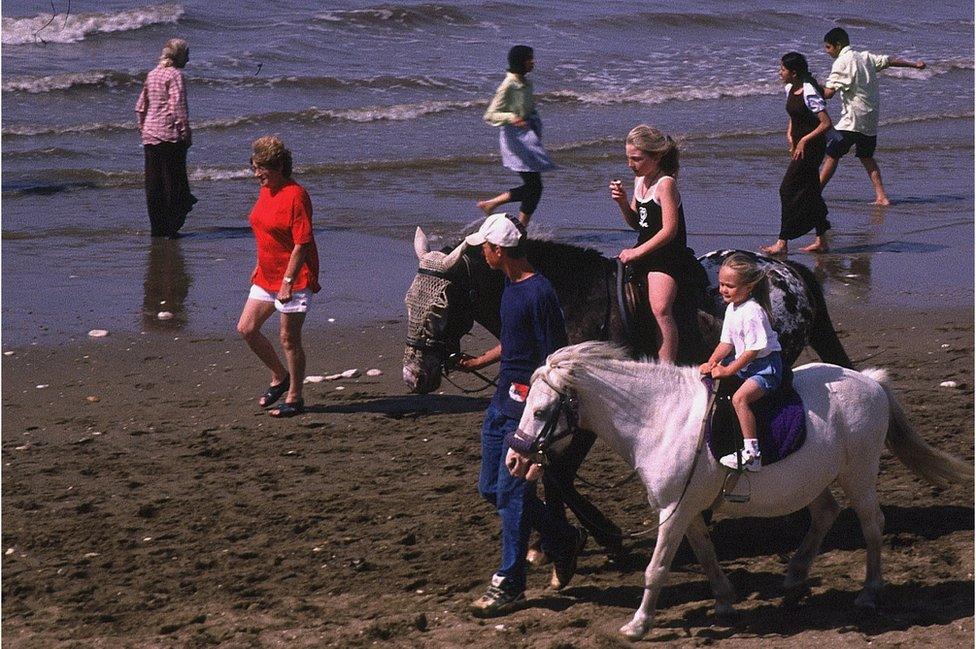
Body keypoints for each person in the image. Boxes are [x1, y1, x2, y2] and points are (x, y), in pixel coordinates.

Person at [458, 213, 586, 617]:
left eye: (485, 247)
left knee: (512, 495)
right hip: (499, 404)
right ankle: (563, 539)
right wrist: (481, 360)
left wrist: (542, 417)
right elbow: (515, 343)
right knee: (490, 491)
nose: (482, 253)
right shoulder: (509, 288)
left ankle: (509, 582)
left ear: (499, 251)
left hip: (526, 413)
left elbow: (555, 356)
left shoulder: (539, 292)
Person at [236, 136, 320, 418]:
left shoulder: (296, 195)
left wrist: (287, 281)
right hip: (266, 274)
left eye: (263, 169)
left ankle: (295, 397)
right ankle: (279, 377)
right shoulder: (266, 190)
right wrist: (258, 264)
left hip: (294, 278)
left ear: (280, 166)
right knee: (247, 328)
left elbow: (302, 242)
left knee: (288, 339)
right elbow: (266, 231)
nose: (257, 174)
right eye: (254, 168)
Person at [609, 125, 707, 363]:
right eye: (628, 158)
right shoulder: (639, 179)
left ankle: (667, 368)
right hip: (643, 251)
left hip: (668, 256)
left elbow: (669, 231)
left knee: (660, 308)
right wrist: (622, 203)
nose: (631, 164)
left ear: (657, 156)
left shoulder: (666, 184)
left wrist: (637, 252)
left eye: (636, 159)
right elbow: (637, 223)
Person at [819, 27, 926, 206]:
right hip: (870, 120)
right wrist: (914, 64)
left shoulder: (841, 62)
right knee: (866, 156)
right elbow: (889, 61)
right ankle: (882, 196)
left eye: (828, 47)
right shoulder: (865, 57)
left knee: (832, 154)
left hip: (852, 121)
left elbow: (829, 93)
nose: (827, 51)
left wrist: (812, 86)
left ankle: (816, 191)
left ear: (838, 46)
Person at [699, 253, 783, 472]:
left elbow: (752, 352)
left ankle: (752, 455)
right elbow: (726, 343)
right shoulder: (732, 308)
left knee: (739, 399)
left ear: (749, 287)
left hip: (765, 368)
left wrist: (727, 370)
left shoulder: (753, 312)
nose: (723, 290)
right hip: (745, 365)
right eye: (721, 284)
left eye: (730, 286)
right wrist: (711, 362)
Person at [761, 52, 833, 256]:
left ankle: (782, 242)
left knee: (787, 189)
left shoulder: (809, 91)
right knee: (811, 190)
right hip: (800, 146)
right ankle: (822, 240)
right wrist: (790, 134)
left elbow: (826, 124)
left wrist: (803, 140)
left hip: (812, 148)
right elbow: (794, 115)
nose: (779, 72)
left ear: (793, 73)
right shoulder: (790, 88)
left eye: (782, 69)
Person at [477, 45, 556, 227]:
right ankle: (499, 209)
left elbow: (526, 107)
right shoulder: (508, 85)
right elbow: (490, 114)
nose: (533, 61)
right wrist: (512, 117)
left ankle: (518, 226)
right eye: (529, 58)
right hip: (516, 140)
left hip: (528, 137)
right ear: (520, 62)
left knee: (534, 187)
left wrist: (534, 127)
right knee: (534, 187)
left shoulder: (525, 82)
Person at [136, 38, 197, 238]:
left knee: (154, 183)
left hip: (150, 135)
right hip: (170, 135)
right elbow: (177, 108)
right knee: (174, 182)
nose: (188, 59)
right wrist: (185, 133)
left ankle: (157, 228)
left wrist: (143, 129)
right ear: (178, 56)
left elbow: (140, 107)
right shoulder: (175, 75)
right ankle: (172, 226)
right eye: (186, 55)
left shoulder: (152, 74)